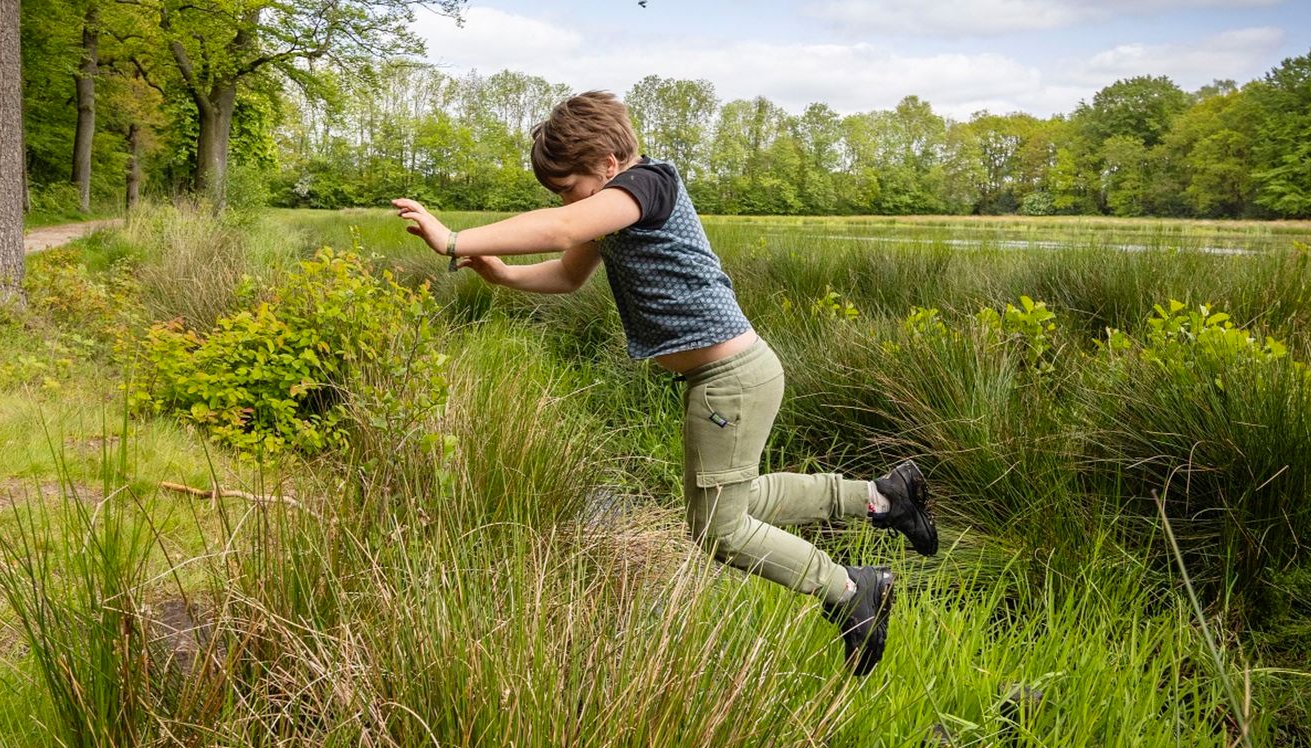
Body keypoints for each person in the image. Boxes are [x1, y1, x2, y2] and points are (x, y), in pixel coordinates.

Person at [391, 91, 937, 677]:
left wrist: (454, 240)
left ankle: (849, 589)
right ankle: (882, 498)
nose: (564, 199)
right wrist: (502, 276)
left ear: (606, 163)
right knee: (738, 502)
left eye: (568, 185)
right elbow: (568, 274)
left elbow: (562, 227)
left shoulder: (647, 185)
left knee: (717, 532)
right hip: (727, 378)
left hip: (732, 380)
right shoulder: (612, 210)